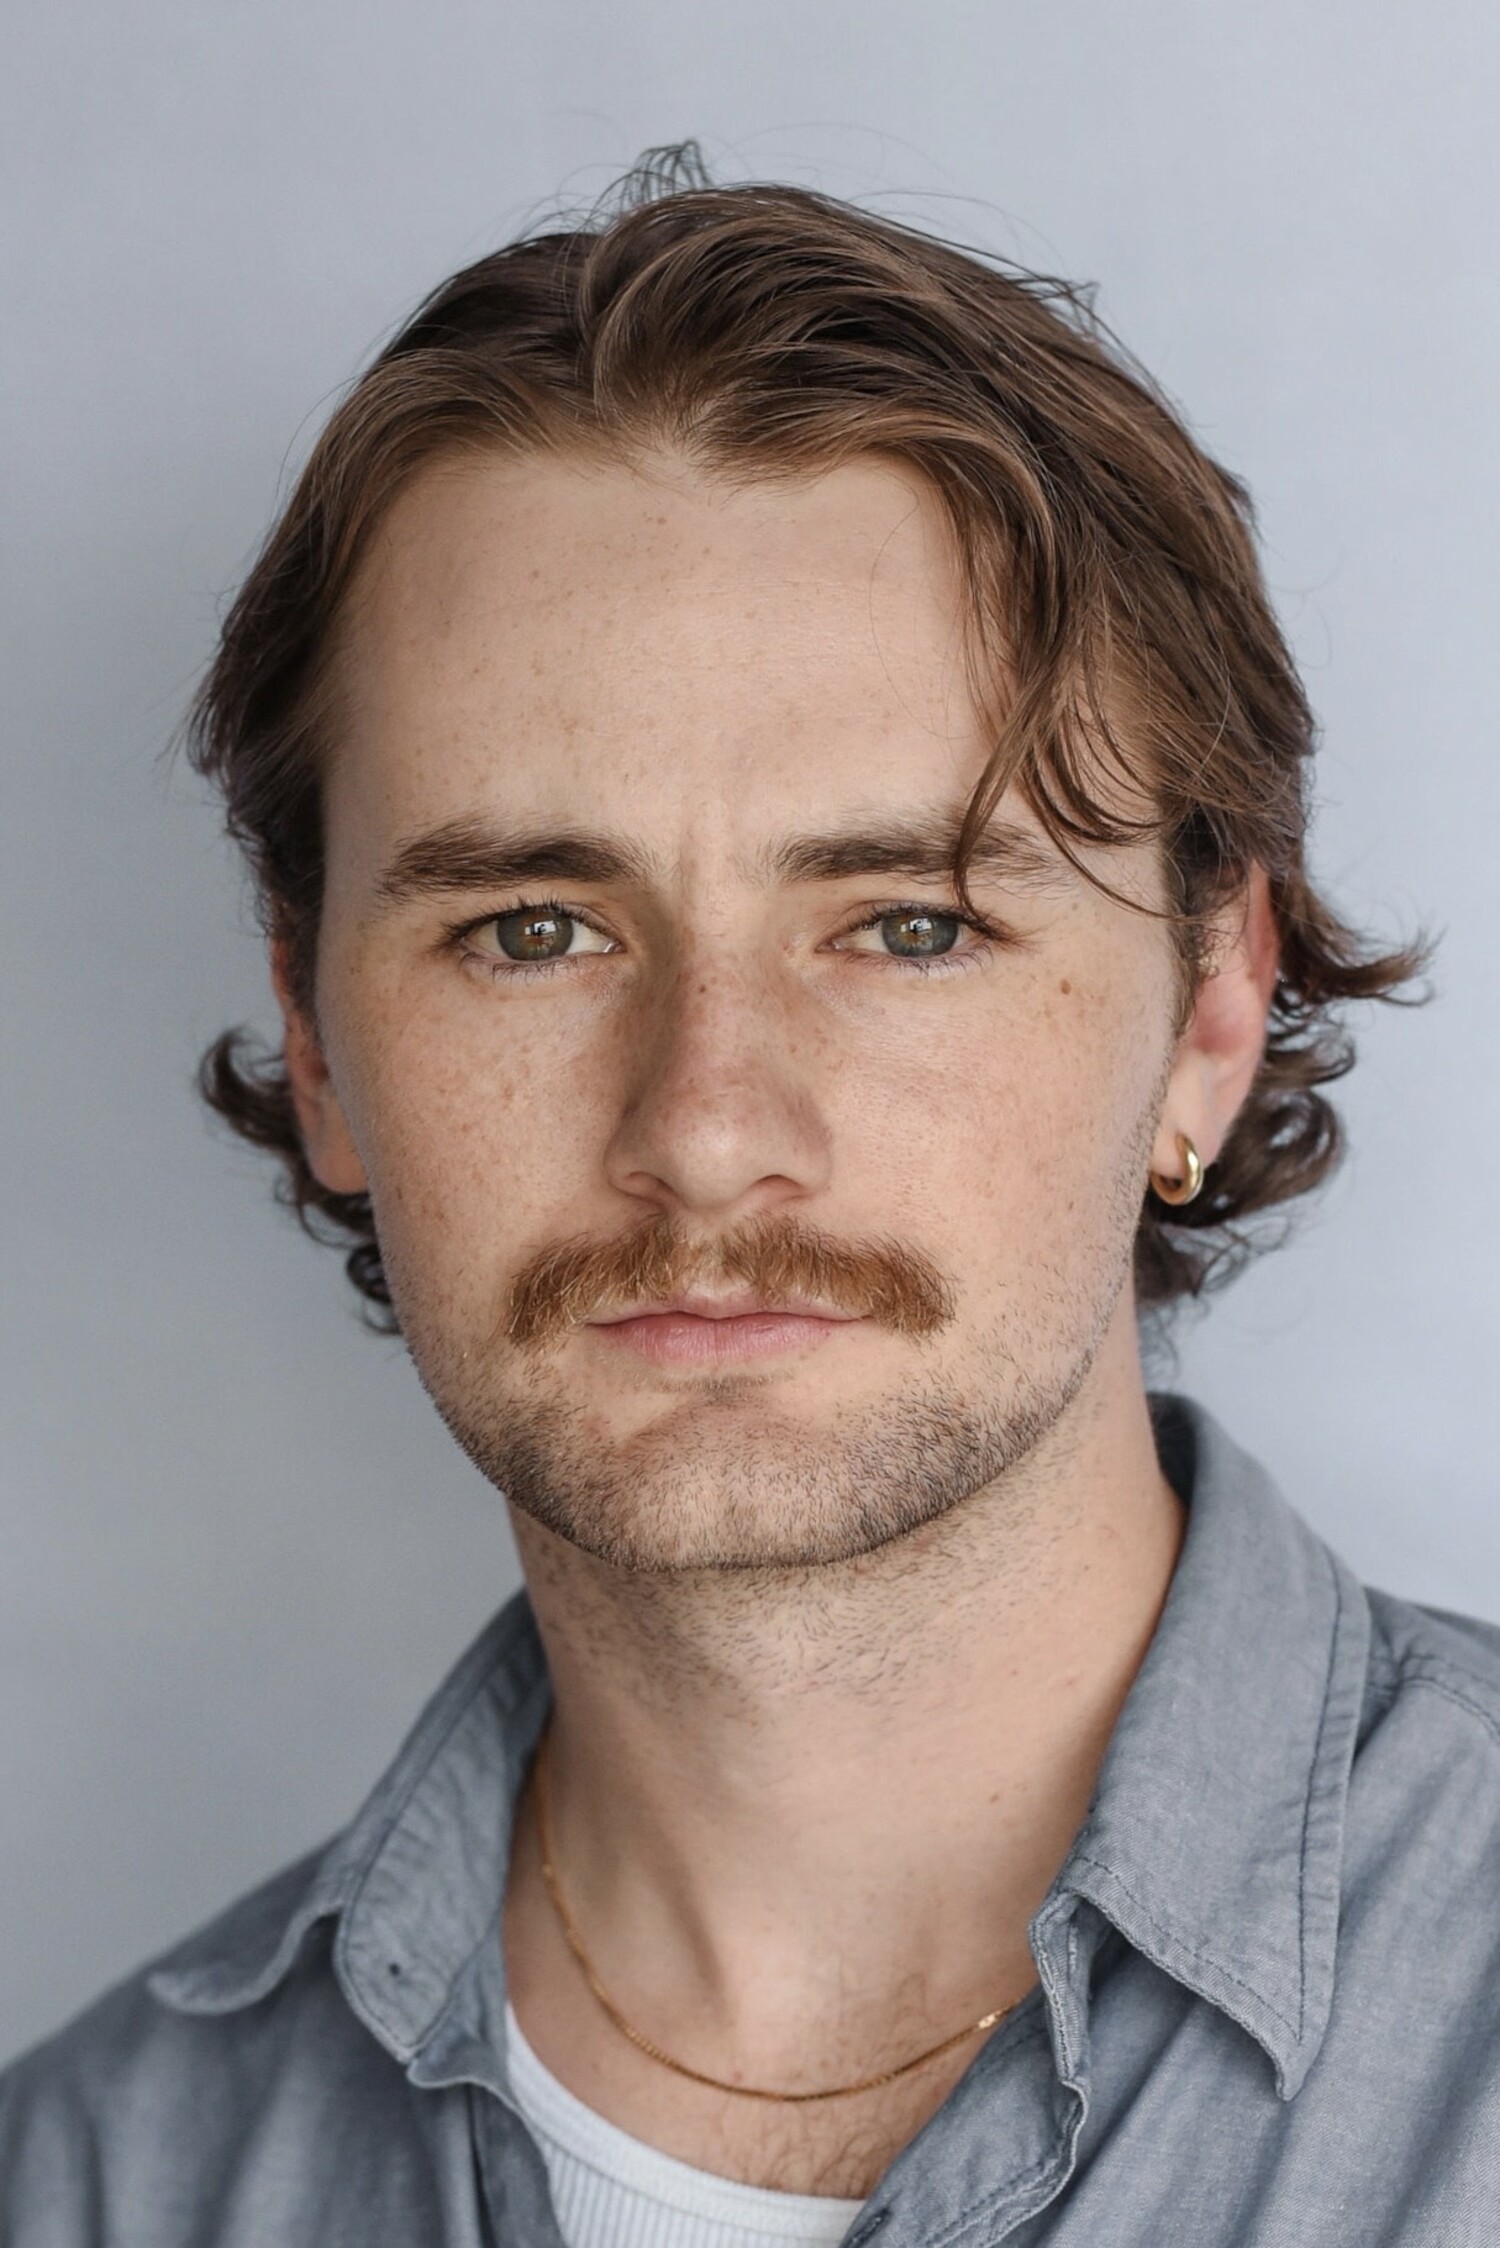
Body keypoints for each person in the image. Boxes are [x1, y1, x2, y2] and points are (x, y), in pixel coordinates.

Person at [3, 148, 1492, 2248]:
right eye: (533, 926)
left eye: (903, 924)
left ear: (1211, 1011)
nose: (706, 1128)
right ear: (318, 1040)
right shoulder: (94, 2180)